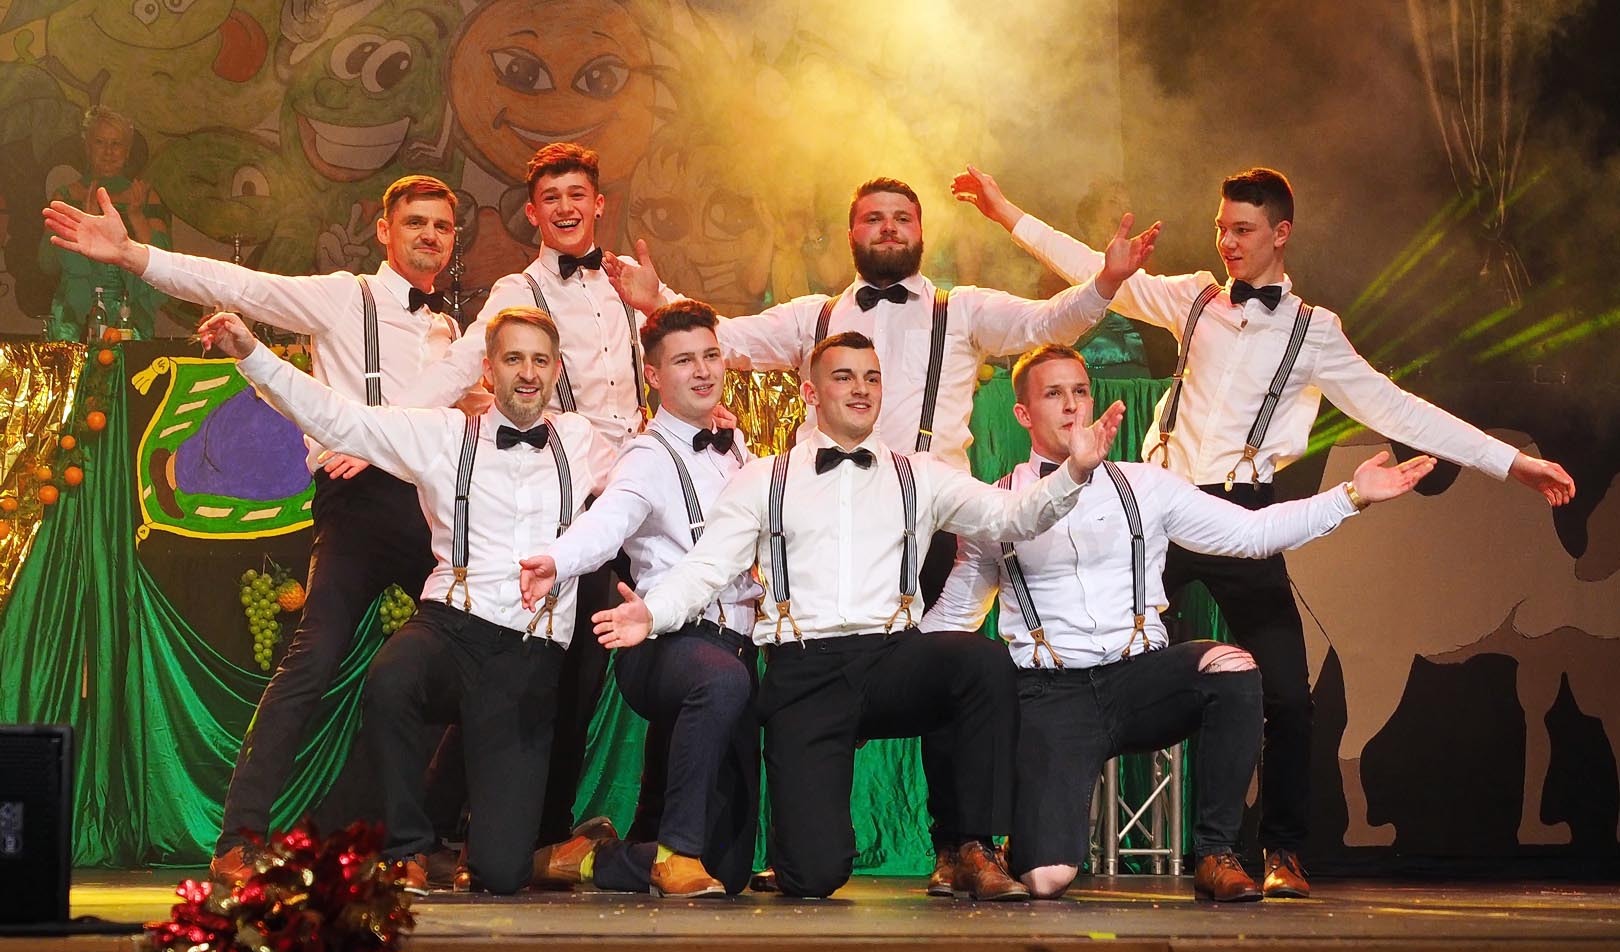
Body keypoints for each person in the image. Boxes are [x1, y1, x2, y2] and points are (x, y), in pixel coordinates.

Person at [952, 164, 1576, 896]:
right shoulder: (1192, 297)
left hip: (1241, 513)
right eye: (1221, 228)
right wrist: (1005, 211)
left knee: (1285, 692)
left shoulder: (1315, 332)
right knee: (1068, 647)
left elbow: (1399, 409)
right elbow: (1096, 267)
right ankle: (1005, 834)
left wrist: (1510, 463)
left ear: (1281, 234)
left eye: (1243, 230)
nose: (1228, 242)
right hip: (1158, 509)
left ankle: (1275, 851)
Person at [607, 174, 1160, 889]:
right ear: (811, 389)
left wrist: (1104, 292)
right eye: (874, 217)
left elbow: (1042, 336)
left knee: (973, 666)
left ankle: (967, 845)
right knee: (812, 873)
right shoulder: (774, 455)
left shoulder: (960, 319)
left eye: (903, 217)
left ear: (921, 231)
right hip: (809, 641)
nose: (889, 227)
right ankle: (749, 846)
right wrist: (652, 612)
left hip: (920, 546)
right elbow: (722, 347)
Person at [44, 173, 464, 883]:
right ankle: (239, 838)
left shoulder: (449, 329)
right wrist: (134, 256)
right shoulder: (346, 296)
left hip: (438, 510)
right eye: (415, 222)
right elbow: (241, 285)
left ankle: (434, 837)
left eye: (442, 226)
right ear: (384, 232)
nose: (429, 235)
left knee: (484, 655)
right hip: (361, 509)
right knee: (314, 657)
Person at [921, 345, 1436, 901]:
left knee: (1231, 666)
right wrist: (895, 662)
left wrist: (1351, 495)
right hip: (1052, 694)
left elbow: (1250, 534)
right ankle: (1017, 845)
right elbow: (956, 614)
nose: (1072, 405)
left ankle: (1215, 853)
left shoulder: (1147, 485)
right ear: (1023, 414)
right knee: (1047, 880)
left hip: (1139, 680)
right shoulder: (996, 505)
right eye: (1054, 394)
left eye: (1080, 391)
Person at [198, 306, 610, 893]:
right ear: (488, 370)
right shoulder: (443, 433)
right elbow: (338, 418)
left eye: (540, 361)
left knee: (500, 874)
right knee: (392, 676)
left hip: (528, 653)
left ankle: (536, 857)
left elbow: (641, 490)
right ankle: (407, 849)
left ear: (556, 370)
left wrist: (711, 423)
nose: (527, 373)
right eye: (513, 359)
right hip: (452, 624)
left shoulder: (581, 439)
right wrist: (252, 355)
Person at [412, 142, 687, 854]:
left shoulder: (627, 281)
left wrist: (660, 303)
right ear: (532, 213)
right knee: (535, 663)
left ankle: (550, 832)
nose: (566, 208)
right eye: (551, 198)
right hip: (564, 497)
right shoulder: (517, 289)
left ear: (599, 204)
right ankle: (456, 828)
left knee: (596, 669)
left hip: (638, 494)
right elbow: (463, 364)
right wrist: (384, 427)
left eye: (577, 195)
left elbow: (696, 341)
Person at [518, 300, 760, 898]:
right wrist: (558, 560)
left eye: (710, 356)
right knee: (720, 679)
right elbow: (609, 520)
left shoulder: (736, 448)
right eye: (684, 361)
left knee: (729, 870)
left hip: (736, 643)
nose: (702, 371)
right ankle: (675, 854)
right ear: (653, 376)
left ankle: (594, 858)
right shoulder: (646, 456)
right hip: (663, 643)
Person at [38, 106, 169, 340]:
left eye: (116, 144)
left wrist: (136, 217)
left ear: (127, 151)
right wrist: (84, 229)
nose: (108, 152)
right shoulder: (65, 197)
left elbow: (164, 270)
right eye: (100, 142)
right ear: (87, 147)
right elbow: (47, 263)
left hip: (129, 317)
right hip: (74, 318)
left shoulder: (146, 197)